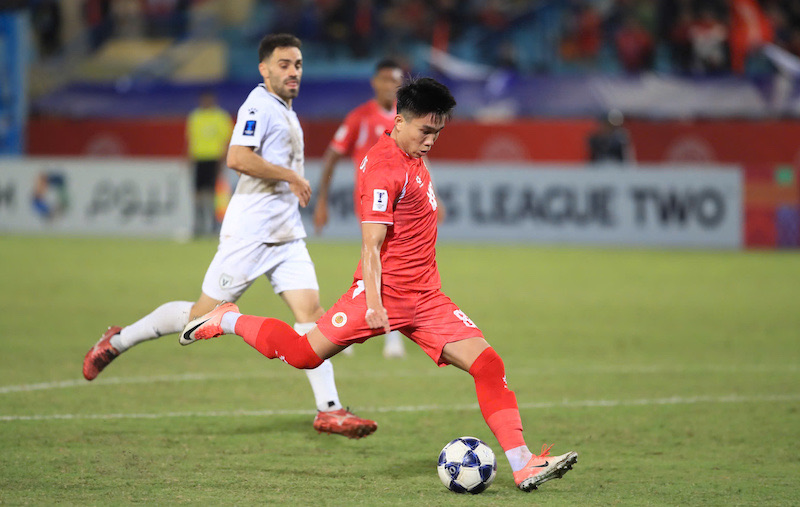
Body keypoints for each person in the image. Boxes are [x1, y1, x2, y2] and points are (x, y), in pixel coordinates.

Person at [180, 77, 578, 492]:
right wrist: (373, 302)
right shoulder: (384, 166)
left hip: (426, 299)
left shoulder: (414, 156)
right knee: (302, 355)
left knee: (488, 364)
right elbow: (371, 244)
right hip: (381, 296)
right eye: (425, 131)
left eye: (437, 133)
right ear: (400, 121)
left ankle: (523, 464)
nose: (430, 141)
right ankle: (227, 318)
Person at [83, 33, 377, 440]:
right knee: (200, 316)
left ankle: (329, 410)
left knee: (310, 316)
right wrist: (291, 175)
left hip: (286, 236)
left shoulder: (284, 109)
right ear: (264, 69)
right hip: (250, 236)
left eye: (298, 65)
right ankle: (119, 339)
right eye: (284, 64)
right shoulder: (258, 105)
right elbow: (237, 157)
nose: (293, 72)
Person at [313, 58, 408, 359]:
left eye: (396, 81)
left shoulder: (404, 118)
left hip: (403, 201)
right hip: (372, 202)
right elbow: (331, 156)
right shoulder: (360, 117)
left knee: (386, 263)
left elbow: (418, 156)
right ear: (375, 82)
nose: (390, 86)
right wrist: (322, 201)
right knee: (382, 261)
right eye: (385, 79)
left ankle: (347, 329)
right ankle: (381, 334)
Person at [186, 90, 233, 236]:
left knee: (215, 194)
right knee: (198, 194)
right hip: (199, 158)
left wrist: (223, 159)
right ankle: (198, 225)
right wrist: (188, 157)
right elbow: (190, 139)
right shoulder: (195, 117)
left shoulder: (221, 117)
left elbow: (227, 140)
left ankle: (214, 225)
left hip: (214, 158)